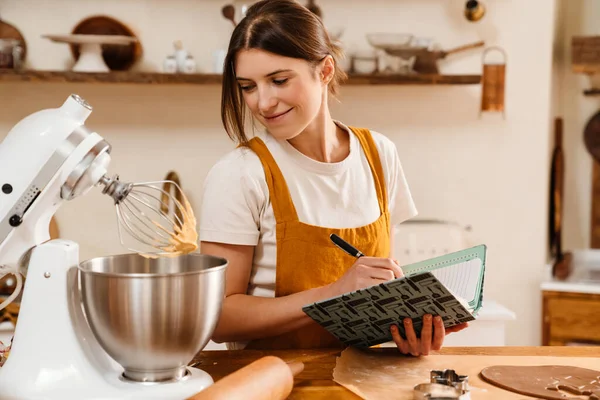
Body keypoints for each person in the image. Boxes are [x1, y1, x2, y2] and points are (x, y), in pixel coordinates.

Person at [199, 0, 468, 355]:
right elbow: (219, 318)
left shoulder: (379, 155)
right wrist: (332, 294)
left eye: (278, 80)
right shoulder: (239, 174)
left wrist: (408, 328)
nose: (263, 102)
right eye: (248, 86)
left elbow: (378, 292)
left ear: (325, 71)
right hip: (273, 383)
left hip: (366, 379)